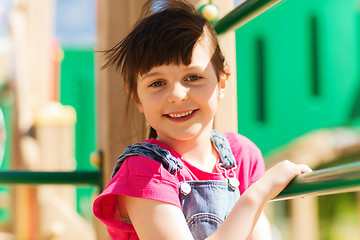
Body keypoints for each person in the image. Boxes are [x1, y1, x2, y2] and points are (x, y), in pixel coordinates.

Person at [93, 1, 312, 239]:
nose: (177, 95)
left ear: (222, 83)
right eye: (157, 83)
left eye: (193, 77)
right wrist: (257, 194)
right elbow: (253, 203)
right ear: (137, 97)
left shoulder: (241, 155)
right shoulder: (144, 171)